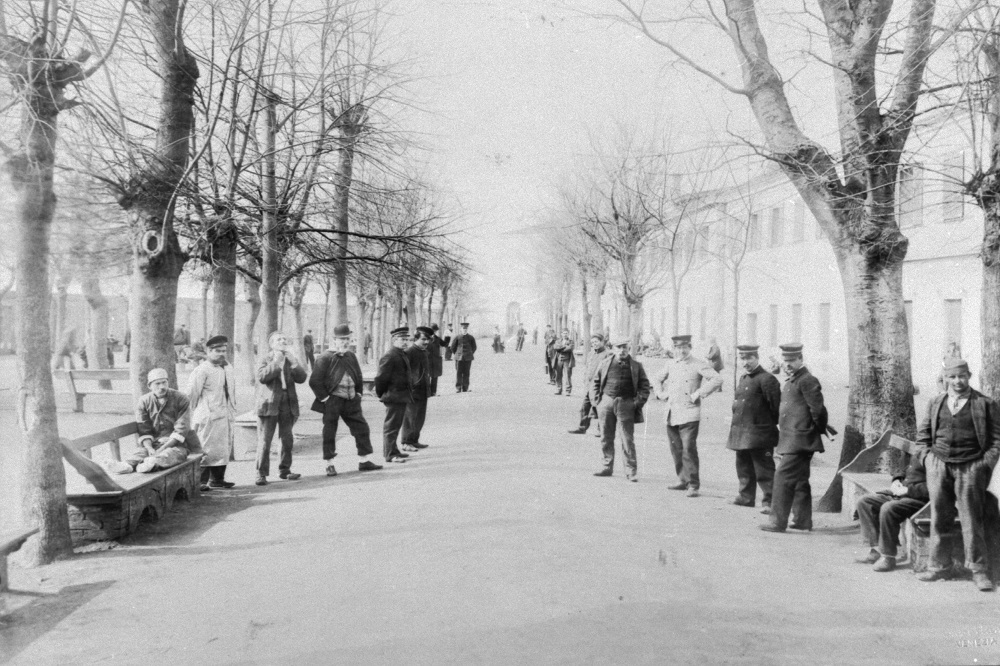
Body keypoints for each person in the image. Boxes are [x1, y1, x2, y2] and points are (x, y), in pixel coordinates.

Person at [915, 357, 1000, 592]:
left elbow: (996, 440)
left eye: (962, 376)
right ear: (945, 379)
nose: (957, 381)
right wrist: (928, 459)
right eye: (952, 377)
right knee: (939, 517)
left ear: (969, 376)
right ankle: (938, 566)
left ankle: (978, 570)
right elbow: (922, 437)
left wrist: (983, 465)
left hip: (970, 468)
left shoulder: (985, 404)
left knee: (972, 519)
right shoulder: (935, 403)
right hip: (939, 466)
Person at [760, 343, 829, 533]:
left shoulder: (807, 380)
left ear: (801, 359)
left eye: (791, 360)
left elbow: (818, 410)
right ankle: (802, 520)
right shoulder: (793, 380)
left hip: (800, 440)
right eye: (785, 360)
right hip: (792, 439)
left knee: (782, 479)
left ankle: (777, 522)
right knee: (800, 481)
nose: (787, 364)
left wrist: (812, 430)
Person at [655, 334, 723, 498]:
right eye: (678, 348)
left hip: (690, 412)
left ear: (690, 348)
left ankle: (693, 484)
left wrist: (699, 393)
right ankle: (682, 479)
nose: (681, 351)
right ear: (674, 349)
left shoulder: (698, 364)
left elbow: (717, 379)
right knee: (676, 449)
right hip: (672, 412)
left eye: (684, 347)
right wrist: (661, 394)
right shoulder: (670, 364)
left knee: (688, 449)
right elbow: (657, 379)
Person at [309, 324, 382, 476]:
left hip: (351, 400)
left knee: (362, 428)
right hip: (333, 400)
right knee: (330, 431)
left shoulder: (351, 356)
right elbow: (315, 381)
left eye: (347, 339)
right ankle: (329, 464)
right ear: (334, 340)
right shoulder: (325, 357)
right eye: (342, 339)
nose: (345, 342)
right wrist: (326, 398)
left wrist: (359, 393)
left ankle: (364, 461)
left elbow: (358, 376)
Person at [109, 368, 199, 475]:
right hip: (154, 443)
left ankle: (152, 463)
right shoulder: (144, 401)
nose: (162, 387)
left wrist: (162, 448)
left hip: (177, 444)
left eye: (164, 382)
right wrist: (149, 447)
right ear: (149, 386)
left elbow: (182, 427)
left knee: (170, 455)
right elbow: (144, 427)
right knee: (141, 452)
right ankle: (127, 465)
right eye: (157, 384)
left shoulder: (180, 398)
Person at [855, 448, 930, 572]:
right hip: (901, 493)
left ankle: (888, 556)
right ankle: (875, 550)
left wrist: (908, 490)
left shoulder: (939, 453)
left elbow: (942, 485)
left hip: (921, 500)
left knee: (888, 508)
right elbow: (904, 467)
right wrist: (897, 480)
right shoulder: (919, 447)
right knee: (865, 502)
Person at [727, 344, 780, 511]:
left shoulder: (767, 379)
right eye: (742, 358)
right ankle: (746, 497)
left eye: (748, 358)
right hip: (742, 432)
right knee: (743, 466)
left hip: (760, 433)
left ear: (756, 357)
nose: (745, 362)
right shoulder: (743, 378)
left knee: (764, 469)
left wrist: (764, 425)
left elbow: (776, 407)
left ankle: (770, 502)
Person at [591, 338, 651, 482]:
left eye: (625, 347)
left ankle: (631, 471)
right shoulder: (605, 363)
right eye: (619, 347)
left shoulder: (636, 366)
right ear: (613, 348)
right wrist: (597, 402)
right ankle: (607, 466)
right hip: (606, 402)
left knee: (627, 439)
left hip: (626, 404)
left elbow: (645, 386)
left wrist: (636, 403)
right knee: (606, 436)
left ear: (629, 348)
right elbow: (595, 382)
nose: (622, 350)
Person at [254, 331, 308, 486]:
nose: (283, 341)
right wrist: (276, 363)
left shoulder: (290, 358)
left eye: (285, 339)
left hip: (287, 402)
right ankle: (260, 473)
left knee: (287, 438)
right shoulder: (266, 358)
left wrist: (295, 364)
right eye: (279, 339)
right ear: (271, 344)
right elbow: (263, 377)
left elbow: (302, 378)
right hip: (269, 403)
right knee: (265, 440)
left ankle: (285, 470)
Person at [188, 335, 237, 490]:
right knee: (206, 448)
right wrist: (193, 415)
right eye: (217, 351)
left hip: (225, 414)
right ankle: (200, 482)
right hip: (208, 416)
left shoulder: (227, 368)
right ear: (208, 351)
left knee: (222, 448)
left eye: (224, 350)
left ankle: (217, 479)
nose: (221, 354)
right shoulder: (202, 370)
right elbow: (191, 394)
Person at [375, 326, 414, 463]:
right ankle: (390, 454)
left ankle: (394, 450)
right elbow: (380, 378)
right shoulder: (390, 356)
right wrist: (382, 394)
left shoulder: (401, 354)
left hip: (401, 396)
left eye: (407, 339)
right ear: (394, 340)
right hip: (393, 397)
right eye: (402, 339)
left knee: (396, 426)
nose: (405, 342)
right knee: (391, 427)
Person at [568, 334, 609, 437]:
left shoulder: (607, 354)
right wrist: (586, 381)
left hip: (600, 386)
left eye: (596, 342)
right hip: (589, 386)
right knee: (585, 407)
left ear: (602, 341)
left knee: (600, 408)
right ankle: (582, 428)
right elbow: (588, 369)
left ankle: (602, 430)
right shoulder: (591, 354)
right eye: (592, 343)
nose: (594, 344)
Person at [402, 326, 434, 452]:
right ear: (415, 339)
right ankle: (406, 442)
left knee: (420, 417)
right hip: (412, 390)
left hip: (423, 389)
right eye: (423, 339)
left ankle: (414, 440)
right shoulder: (409, 352)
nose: (426, 342)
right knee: (410, 417)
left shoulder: (424, 351)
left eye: (428, 340)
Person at [449, 322, 476, 393]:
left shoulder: (471, 337)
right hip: (459, 358)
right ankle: (458, 388)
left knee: (466, 373)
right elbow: (452, 347)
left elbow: (474, 347)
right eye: (463, 328)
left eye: (466, 328)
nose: (464, 330)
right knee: (459, 373)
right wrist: (457, 354)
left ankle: (465, 388)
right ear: (461, 329)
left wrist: (469, 353)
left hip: (468, 358)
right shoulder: (457, 337)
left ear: (467, 329)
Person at [553, 329, 575, 396]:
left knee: (567, 376)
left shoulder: (571, 341)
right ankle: (559, 389)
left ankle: (568, 391)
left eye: (566, 333)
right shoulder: (558, 341)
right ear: (561, 334)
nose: (565, 334)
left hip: (567, 360)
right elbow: (555, 347)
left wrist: (560, 348)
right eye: (564, 333)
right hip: (559, 360)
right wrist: (564, 347)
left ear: (568, 334)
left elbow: (570, 348)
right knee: (558, 375)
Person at [429, 324, 445, 397]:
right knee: (427, 376)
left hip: (435, 360)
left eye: (435, 330)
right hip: (427, 360)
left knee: (435, 376)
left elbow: (444, 344)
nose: (433, 332)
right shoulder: (425, 338)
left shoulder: (437, 338)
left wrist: (447, 339)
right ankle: (427, 392)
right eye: (432, 330)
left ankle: (433, 392)